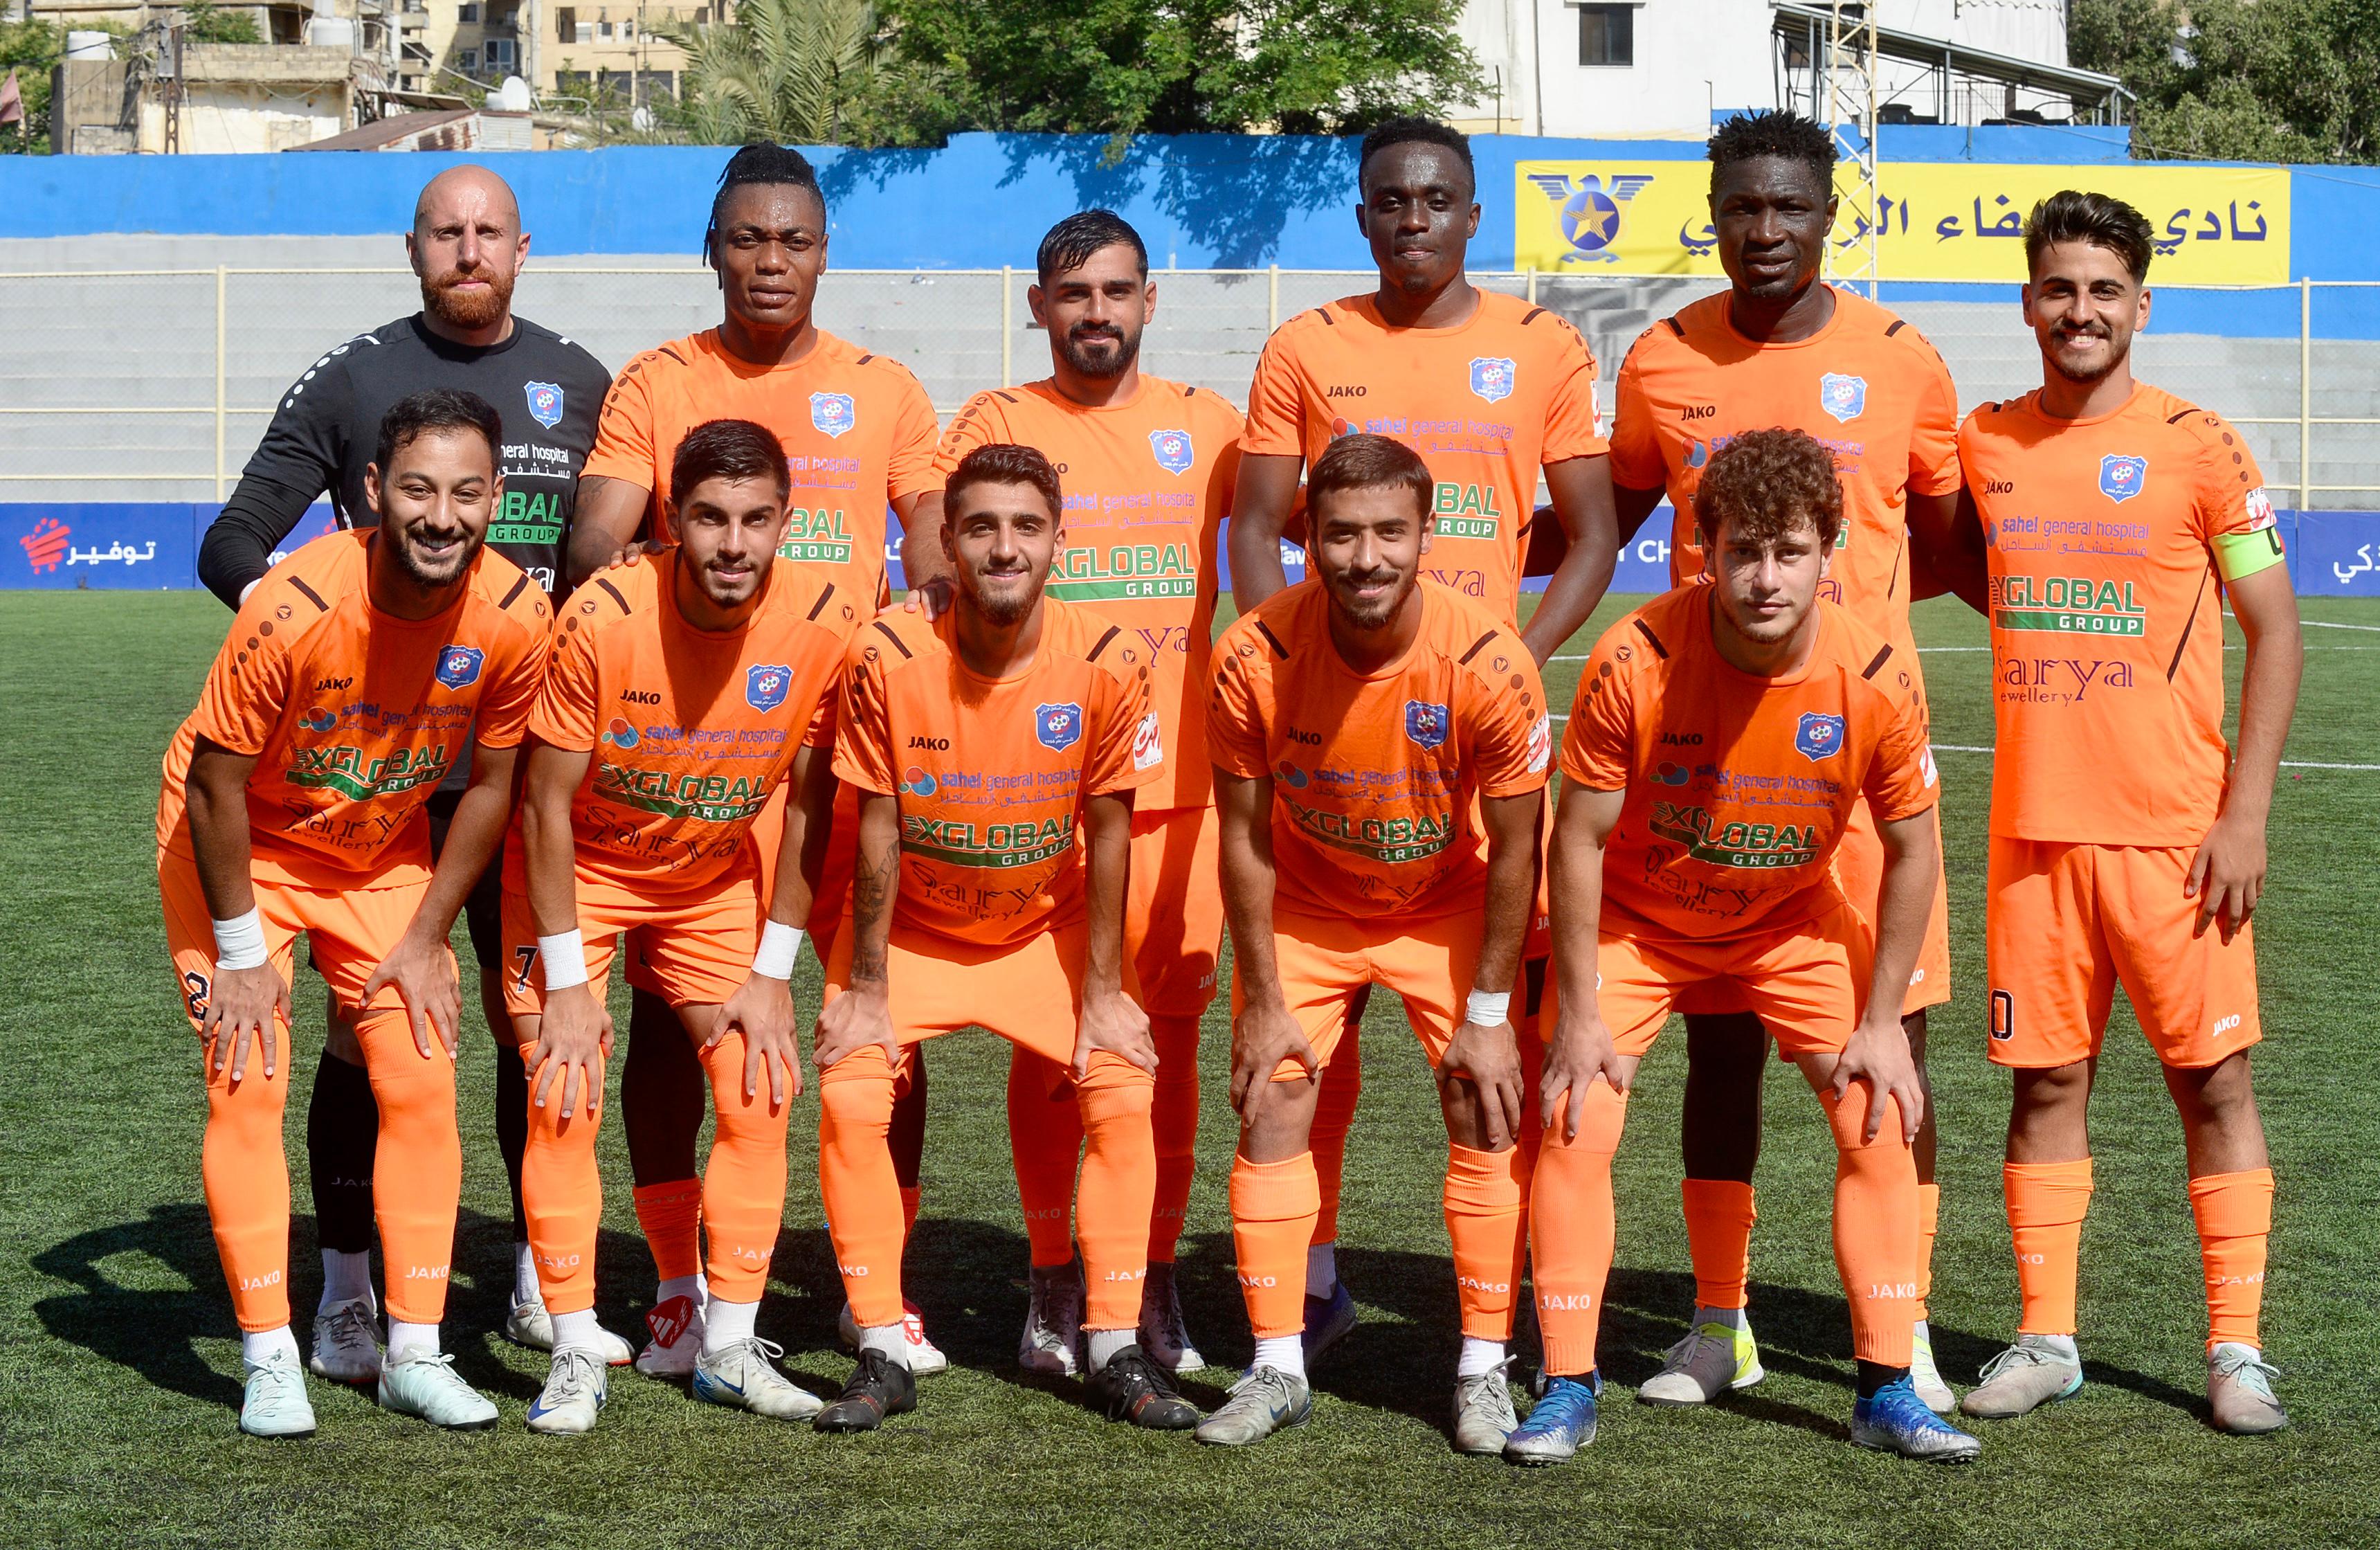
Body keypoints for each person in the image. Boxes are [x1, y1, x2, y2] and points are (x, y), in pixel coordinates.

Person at [194, 165, 614, 1373]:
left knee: (533, 1024)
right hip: (375, 792)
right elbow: (232, 540)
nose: (468, 250)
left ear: (523, 248)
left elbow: (618, 556)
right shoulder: (352, 379)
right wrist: (326, 646)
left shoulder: (584, 382)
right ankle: (346, 1288)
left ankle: (537, 1276)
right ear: (414, 247)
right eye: (446, 232)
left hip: (518, 774)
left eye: (490, 231)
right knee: (364, 1032)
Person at [1225, 116, 1619, 1358]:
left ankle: (1505, 1324)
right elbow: (1255, 523)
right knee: (1307, 1047)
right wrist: (1286, 661)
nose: (1414, 219)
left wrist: (1514, 661)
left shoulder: (1542, 343)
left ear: (1472, 215)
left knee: (1495, 1054)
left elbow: (1593, 535)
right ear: (1363, 217)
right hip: (1334, 731)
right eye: (1391, 201)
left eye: (1437, 200)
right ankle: (1314, 1286)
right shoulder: (1306, 344)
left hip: (1471, 742)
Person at [1514, 428, 1980, 1466]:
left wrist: (1883, 1022)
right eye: (1744, 553)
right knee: (1575, 1114)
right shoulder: (1635, 658)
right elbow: (1575, 839)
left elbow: (1913, 850)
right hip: (1641, 923)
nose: (1766, 580)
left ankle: (1886, 1388)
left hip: (1790, 922)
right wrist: (1579, 1012)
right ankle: (1569, 1383)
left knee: (1877, 1112)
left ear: (1830, 551)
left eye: (1790, 552)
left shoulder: (1874, 672)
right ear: (1705, 551)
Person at [1603, 109, 1969, 1409]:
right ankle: (1722, 1323)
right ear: (1715, 216)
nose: (1766, 230)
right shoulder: (1661, 359)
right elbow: (1606, 519)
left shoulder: (1903, 358)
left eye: (1790, 208)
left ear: (1828, 217)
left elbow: (1952, 543)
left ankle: (1903, 1333)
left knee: (1895, 1047)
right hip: (1707, 767)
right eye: (1743, 208)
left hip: (1858, 760)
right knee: (1721, 1048)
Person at [568, 141, 948, 1376]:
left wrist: (936, 603)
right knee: (680, 1027)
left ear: (825, 253)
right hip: (709, 763)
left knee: (879, 1022)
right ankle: (677, 1284)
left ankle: (875, 1291)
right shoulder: (658, 380)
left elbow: (929, 534)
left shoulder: (883, 389)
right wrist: (632, 582)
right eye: (746, 238)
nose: (769, 260)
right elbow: (597, 537)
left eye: (792, 240)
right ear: (712, 251)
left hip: (851, 757)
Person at [1952, 191, 2301, 1435]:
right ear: (2028, 302)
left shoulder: (2202, 446)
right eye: (2059, 288)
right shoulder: (1985, 442)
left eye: (2104, 289)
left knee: (2213, 1085)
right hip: (2033, 839)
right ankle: (2047, 1339)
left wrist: (2244, 815)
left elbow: (2275, 629)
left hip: (2176, 838)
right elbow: (1961, 563)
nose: (2080, 310)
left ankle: (2237, 1351)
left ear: (2141, 306)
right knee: (2045, 1086)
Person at [157, 389, 551, 1437]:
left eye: (467, 494)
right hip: (241, 845)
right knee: (249, 1077)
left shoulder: (518, 615)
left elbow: (493, 787)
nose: (442, 517)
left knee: (421, 1074)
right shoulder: (291, 605)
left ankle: (413, 1351)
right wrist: (243, 954)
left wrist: (424, 938)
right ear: (374, 491)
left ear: (497, 498)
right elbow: (212, 787)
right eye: (418, 490)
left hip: (374, 845)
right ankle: (269, 1357)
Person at [912, 209, 1243, 1377]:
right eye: (1073, 292)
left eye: (1116, 290)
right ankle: (1055, 1273)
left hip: (1181, 789)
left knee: (1168, 1048)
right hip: (1040, 796)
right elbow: (937, 545)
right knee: (1053, 1044)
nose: (1095, 312)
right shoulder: (998, 424)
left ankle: (1151, 1275)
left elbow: (1280, 538)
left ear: (1151, 301)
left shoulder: (1213, 428)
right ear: (1040, 306)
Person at [810, 443, 1194, 1435]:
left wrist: (1105, 989)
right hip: (918, 931)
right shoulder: (886, 653)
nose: (1004, 547)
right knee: (853, 1087)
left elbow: (1109, 829)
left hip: (1042, 929)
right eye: (980, 527)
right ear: (946, 541)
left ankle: (1112, 1344)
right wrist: (865, 987)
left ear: (1059, 540)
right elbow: (878, 826)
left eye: (1027, 526)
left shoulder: (1111, 656)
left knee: (1123, 1083)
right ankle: (881, 1341)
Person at [1194, 433, 1549, 1452]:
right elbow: (1244, 837)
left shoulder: (1491, 662)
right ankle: (1278, 1366)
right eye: (1342, 534)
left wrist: (1491, 1014)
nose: (1366, 558)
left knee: (1483, 1097)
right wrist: (1263, 999)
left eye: (1391, 532)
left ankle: (1483, 1369)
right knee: (1273, 1092)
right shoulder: (1252, 655)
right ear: (1308, 538)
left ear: (1427, 536)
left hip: (1449, 901)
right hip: (1311, 902)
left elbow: (1518, 850)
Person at [505, 419, 857, 1433]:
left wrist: (774, 970)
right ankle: (576, 1347)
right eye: (709, 518)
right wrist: (567, 983)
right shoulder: (603, 614)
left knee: (759, 1086)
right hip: (579, 875)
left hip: (707, 879)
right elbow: (545, 806)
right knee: (562, 1089)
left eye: (756, 520)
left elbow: (812, 803)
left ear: (786, 521)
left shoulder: (827, 619)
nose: (733, 545)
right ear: (671, 519)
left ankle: (729, 1347)